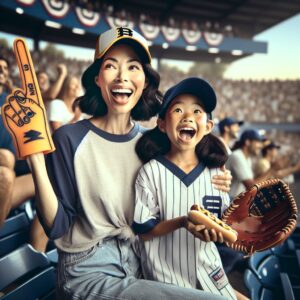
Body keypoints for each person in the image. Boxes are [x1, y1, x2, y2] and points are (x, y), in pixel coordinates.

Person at [6, 27, 232, 299]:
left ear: (145, 82)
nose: (123, 76)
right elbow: (57, 227)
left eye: (133, 67)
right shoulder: (70, 138)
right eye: (111, 66)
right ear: (98, 79)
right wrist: (35, 156)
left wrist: (216, 176)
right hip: (87, 271)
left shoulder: (151, 143)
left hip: (141, 263)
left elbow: (183, 177)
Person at [133, 77, 248, 300]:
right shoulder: (151, 171)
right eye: (178, 109)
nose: (188, 116)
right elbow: (144, 231)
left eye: (197, 111)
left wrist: (244, 231)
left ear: (208, 126)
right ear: (162, 124)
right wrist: (183, 222)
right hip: (166, 278)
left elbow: (223, 227)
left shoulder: (216, 174)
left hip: (211, 272)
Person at [227, 129, 275, 199]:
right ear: (248, 142)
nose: (260, 146)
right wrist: (272, 169)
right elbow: (251, 187)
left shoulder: (247, 158)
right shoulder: (237, 156)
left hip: (236, 199)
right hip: (229, 201)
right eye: (258, 142)